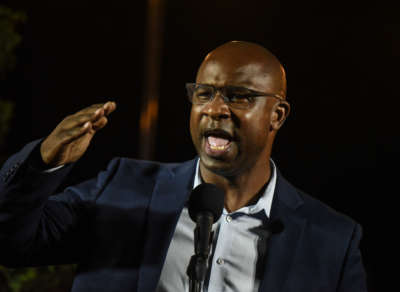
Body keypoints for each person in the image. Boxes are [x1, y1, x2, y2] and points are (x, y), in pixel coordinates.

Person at [0, 41, 367, 292]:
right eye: (204, 94)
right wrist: (43, 163)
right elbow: (12, 243)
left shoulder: (330, 240)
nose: (214, 109)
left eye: (239, 96)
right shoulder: (124, 187)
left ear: (277, 115)